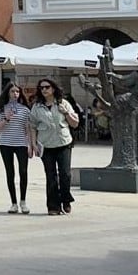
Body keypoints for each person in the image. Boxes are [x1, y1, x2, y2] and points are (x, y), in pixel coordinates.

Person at [29, 78, 79, 216]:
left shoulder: (63, 103)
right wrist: (33, 144)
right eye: (41, 88)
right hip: (46, 145)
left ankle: (66, 200)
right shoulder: (37, 107)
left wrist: (66, 113)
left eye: (47, 87)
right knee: (51, 176)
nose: (44, 90)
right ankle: (53, 206)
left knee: (65, 174)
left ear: (53, 88)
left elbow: (75, 124)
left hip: (63, 142)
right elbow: (32, 126)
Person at [0, 83, 32, 214]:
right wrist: (6, 119)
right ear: (7, 93)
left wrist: (30, 145)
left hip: (21, 144)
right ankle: (13, 203)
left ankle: (23, 201)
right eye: (12, 91)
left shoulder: (25, 110)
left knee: (23, 172)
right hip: (5, 143)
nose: (15, 94)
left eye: (17, 92)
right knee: (10, 172)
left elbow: (28, 129)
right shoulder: (1, 109)